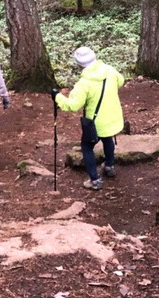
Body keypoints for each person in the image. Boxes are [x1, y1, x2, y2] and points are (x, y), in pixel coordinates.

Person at [52, 47, 124, 190]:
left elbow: (72, 106)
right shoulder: (110, 70)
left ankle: (95, 180)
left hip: (95, 124)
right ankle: (109, 166)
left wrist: (57, 97)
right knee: (108, 138)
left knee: (87, 146)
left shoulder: (84, 84)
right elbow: (120, 81)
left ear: (79, 63)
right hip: (113, 116)